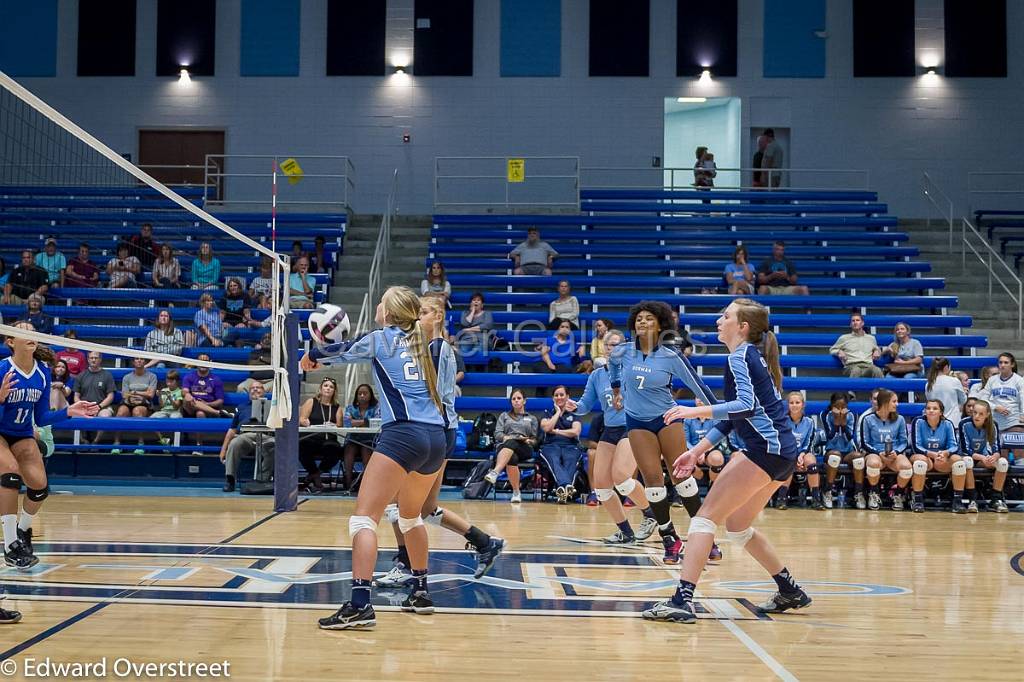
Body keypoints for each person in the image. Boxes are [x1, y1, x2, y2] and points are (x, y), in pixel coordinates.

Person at [643, 298, 810, 624]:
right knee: (736, 525)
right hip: (781, 453)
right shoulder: (748, 357)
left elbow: (744, 406)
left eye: (726, 316)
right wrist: (697, 451)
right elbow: (735, 417)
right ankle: (789, 589)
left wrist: (693, 411)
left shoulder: (740, 357)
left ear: (742, 327)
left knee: (704, 518)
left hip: (765, 451)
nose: (719, 320)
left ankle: (682, 599)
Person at [303, 285, 448, 630]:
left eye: (381, 302)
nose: (377, 307)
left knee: (364, 520)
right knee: (411, 518)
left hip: (404, 434)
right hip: (436, 438)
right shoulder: (424, 344)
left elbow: (336, 351)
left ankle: (359, 604)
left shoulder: (382, 338)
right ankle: (421, 591)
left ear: (390, 312)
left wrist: (310, 352)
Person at [376, 295, 507, 587]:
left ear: (437, 317)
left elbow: (422, 392)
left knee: (399, 502)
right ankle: (485, 542)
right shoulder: (431, 348)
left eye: (422, 313)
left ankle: (405, 563)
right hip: (439, 430)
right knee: (425, 508)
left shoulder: (434, 348)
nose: (417, 318)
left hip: (429, 429)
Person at [609, 300, 722, 565]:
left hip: (668, 419)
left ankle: (705, 537)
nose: (642, 322)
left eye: (649, 318)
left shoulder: (671, 356)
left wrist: (720, 411)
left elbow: (698, 385)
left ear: (660, 324)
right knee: (652, 479)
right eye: (638, 319)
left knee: (681, 476)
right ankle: (669, 538)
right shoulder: (622, 352)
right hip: (637, 421)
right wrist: (616, 389)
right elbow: (611, 366)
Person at [0, 321, 99, 583]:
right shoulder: (2, 369)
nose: (31, 334)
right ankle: (10, 546)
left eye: (34, 331)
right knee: (9, 473)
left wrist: (69, 411)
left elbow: (41, 418)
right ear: (11, 341)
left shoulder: (43, 372)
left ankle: (23, 531)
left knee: (40, 487)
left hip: (21, 433)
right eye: (25, 331)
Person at [567, 331, 658, 544]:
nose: (612, 349)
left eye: (617, 345)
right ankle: (625, 531)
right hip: (610, 430)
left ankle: (651, 514)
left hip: (633, 427)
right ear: (603, 348)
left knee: (622, 478)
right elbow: (585, 406)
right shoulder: (597, 375)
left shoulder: (634, 371)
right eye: (608, 345)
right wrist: (574, 406)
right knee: (601, 488)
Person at [859, 389, 912, 511]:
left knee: (907, 468)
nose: (897, 404)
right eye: (894, 401)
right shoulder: (867, 419)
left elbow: (904, 441)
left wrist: (896, 452)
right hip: (875, 453)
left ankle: (898, 494)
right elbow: (864, 443)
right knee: (873, 463)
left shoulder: (900, 419)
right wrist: (878, 453)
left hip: (894, 454)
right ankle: (874, 493)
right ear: (885, 402)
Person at [483, 389, 539, 503]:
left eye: (519, 398)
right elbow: (497, 434)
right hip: (505, 445)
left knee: (513, 443)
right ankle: (516, 492)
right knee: (511, 457)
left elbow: (535, 439)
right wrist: (506, 438)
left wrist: (529, 441)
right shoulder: (504, 416)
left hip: (524, 447)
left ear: (524, 401)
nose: (516, 401)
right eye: (514, 399)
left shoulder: (532, 418)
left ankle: (495, 472)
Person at [219, 382, 273, 493]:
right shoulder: (241, 407)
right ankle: (230, 479)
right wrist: (223, 449)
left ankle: (262, 481)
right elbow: (232, 430)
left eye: (258, 388)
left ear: (264, 391)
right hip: (246, 435)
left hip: (266, 436)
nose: (255, 390)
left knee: (275, 446)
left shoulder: (272, 406)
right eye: (252, 388)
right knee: (234, 443)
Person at [774, 392, 823, 510]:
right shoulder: (783, 421)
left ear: (803, 405)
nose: (794, 405)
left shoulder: (809, 422)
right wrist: (794, 456)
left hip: (803, 453)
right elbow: (781, 441)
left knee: (811, 462)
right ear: (788, 405)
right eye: (791, 403)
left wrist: (801, 455)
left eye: (797, 402)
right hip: (786, 453)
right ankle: (781, 498)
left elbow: (809, 442)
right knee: (788, 462)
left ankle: (816, 499)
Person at [910, 399, 959, 513]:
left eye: (935, 408)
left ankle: (957, 500)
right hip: (922, 455)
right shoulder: (918, 422)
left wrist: (945, 453)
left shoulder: (947, 424)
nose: (931, 411)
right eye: (928, 408)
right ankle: (918, 500)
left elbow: (954, 446)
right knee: (920, 462)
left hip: (941, 458)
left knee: (958, 461)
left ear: (941, 412)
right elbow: (916, 446)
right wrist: (932, 454)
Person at [958, 400, 1007, 513]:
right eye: (975, 412)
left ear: (987, 414)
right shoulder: (964, 424)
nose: (976, 416)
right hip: (965, 457)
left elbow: (996, 448)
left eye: (981, 414)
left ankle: (996, 499)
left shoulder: (993, 424)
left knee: (1003, 463)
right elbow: (966, 450)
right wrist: (983, 458)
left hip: (982, 457)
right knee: (968, 461)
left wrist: (993, 457)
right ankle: (972, 499)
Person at [298, 378, 345, 493]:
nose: (328, 388)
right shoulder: (311, 401)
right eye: (326, 386)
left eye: (331, 387)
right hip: (312, 437)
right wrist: (305, 422)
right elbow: (302, 419)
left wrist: (333, 425)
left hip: (328, 439)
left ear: (334, 391)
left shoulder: (337, 407)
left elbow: (340, 426)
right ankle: (316, 477)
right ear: (321, 388)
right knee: (302, 446)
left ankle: (313, 476)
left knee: (335, 449)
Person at [539, 386, 585, 503]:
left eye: (561, 395)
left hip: (571, 446)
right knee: (554, 460)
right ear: (553, 398)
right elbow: (547, 428)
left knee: (570, 460)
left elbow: (575, 431)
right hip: (550, 445)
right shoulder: (547, 413)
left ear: (567, 397)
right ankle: (567, 486)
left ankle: (561, 489)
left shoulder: (575, 414)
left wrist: (557, 431)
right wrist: (558, 413)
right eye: (556, 395)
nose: (559, 397)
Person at [977, 352, 1024, 462]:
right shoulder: (992, 380)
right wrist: (995, 407)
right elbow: (982, 397)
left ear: (1012, 365)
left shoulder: (1019, 380)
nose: (1002, 365)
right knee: (1001, 458)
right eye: (1000, 362)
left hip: (1014, 422)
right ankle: (1005, 480)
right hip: (997, 424)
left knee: (1019, 456)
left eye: (1006, 362)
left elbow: (1023, 398)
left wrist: (1023, 414)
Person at [820, 392, 862, 508]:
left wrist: (843, 424)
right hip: (831, 450)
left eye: (843, 407)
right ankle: (827, 491)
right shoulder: (825, 414)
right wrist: (836, 423)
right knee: (835, 456)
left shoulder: (852, 415)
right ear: (832, 405)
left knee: (859, 458)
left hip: (847, 451)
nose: (839, 410)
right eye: (836, 407)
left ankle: (858, 493)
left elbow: (849, 437)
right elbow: (830, 437)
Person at [181, 354, 226, 453]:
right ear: (196, 363)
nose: (202, 363)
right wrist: (187, 394)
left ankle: (199, 445)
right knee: (187, 399)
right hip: (190, 407)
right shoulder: (189, 376)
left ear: (210, 362)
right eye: (200, 360)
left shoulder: (216, 379)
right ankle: (218, 413)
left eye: (205, 361)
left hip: (207, 408)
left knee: (200, 413)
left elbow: (220, 400)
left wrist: (207, 405)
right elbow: (184, 390)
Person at [112, 357, 157, 455]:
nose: (139, 361)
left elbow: (151, 395)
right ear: (133, 362)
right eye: (137, 359)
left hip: (144, 403)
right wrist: (132, 398)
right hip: (128, 401)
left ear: (145, 361)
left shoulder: (152, 376)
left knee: (137, 412)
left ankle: (141, 443)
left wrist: (136, 393)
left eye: (141, 359)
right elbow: (124, 394)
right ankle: (116, 443)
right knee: (121, 413)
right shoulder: (127, 377)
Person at [341, 384, 381, 491]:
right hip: (353, 439)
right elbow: (346, 422)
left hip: (369, 440)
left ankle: (365, 483)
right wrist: (365, 422)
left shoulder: (376, 408)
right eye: (359, 394)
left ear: (370, 395)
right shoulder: (351, 408)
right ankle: (348, 481)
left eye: (365, 393)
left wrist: (355, 422)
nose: (362, 395)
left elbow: (376, 423)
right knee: (349, 449)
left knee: (366, 449)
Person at [74, 351, 116, 445]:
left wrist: (99, 406)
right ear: (88, 360)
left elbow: (110, 396)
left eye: (96, 358)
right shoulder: (81, 375)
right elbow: (76, 396)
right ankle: (83, 440)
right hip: (84, 406)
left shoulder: (107, 375)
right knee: (72, 416)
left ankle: (95, 441)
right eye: (91, 358)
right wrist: (83, 405)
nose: (93, 360)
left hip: (102, 407)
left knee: (105, 416)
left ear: (100, 360)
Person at [684, 399, 727, 488]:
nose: (700, 400)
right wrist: (695, 452)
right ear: (695, 400)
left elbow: (718, 439)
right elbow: (685, 440)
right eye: (697, 397)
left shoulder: (716, 418)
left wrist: (702, 451)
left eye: (702, 397)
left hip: (710, 449)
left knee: (717, 459)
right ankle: (702, 479)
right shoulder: (688, 419)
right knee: (684, 460)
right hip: (692, 449)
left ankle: (713, 486)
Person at [829, 313, 883, 379]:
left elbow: (877, 349)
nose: (855, 322)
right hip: (851, 366)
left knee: (877, 370)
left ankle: (881, 389)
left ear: (862, 323)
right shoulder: (844, 338)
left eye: (857, 320)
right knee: (856, 370)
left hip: (868, 366)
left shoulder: (871, 338)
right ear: (850, 324)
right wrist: (839, 351)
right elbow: (832, 349)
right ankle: (852, 389)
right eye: (853, 321)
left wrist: (877, 351)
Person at [926, 357, 967, 424]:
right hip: (953, 421)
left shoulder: (928, 383)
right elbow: (963, 400)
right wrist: (965, 393)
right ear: (946, 367)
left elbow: (929, 401)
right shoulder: (954, 381)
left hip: (935, 421)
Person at [455, 293, 493, 359]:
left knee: (479, 352)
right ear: (470, 303)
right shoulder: (465, 313)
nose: (476, 301)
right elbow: (465, 324)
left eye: (478, 300)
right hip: (467, 339)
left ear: (482, 305)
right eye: (474, 300)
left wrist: (468, 329)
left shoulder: (487, 313)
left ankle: (478, 368)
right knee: (463, 351)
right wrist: (472, 311)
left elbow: (487, 326)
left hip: (482, 339)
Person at [218, 278, 252, 346]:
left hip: (240, 321)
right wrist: (219, 323)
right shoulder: (225, 296)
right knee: (223, 326)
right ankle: (225, 344)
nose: (233, 287)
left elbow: (246, 312)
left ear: (239, 286)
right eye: (231, 286)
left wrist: (247, 324)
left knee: (241, 327)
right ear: (228, 288)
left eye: (235, 285)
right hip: (228, 321)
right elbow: (222, 313)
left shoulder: (245, 296)